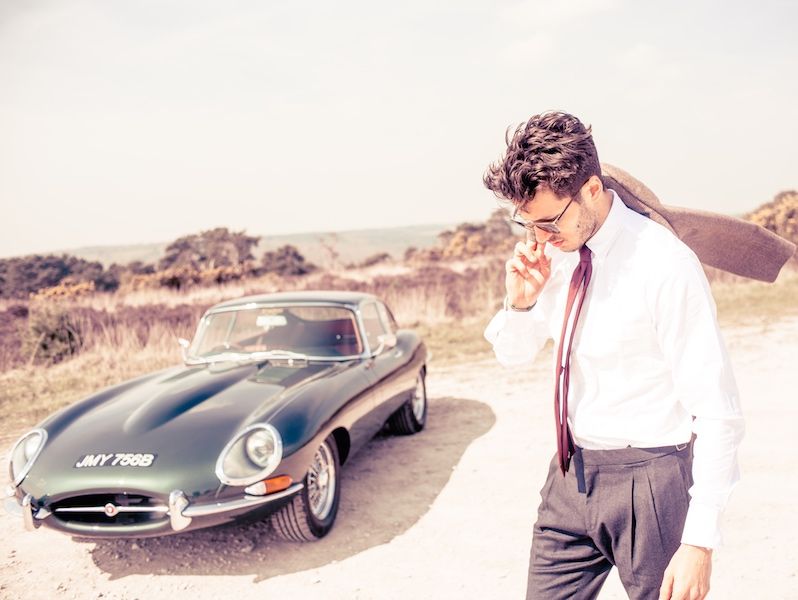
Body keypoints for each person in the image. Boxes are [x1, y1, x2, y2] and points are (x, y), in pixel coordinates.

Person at [482, 111, 744, 600]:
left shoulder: (663, 264)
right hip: (569, 476)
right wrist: (520, 303)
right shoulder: (551, 255)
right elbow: (513, 356)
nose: (540, 238)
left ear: (591, 189)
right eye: (527, 224)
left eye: (549, 222)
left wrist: (699, 541)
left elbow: (717, 409)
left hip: (652, 482)